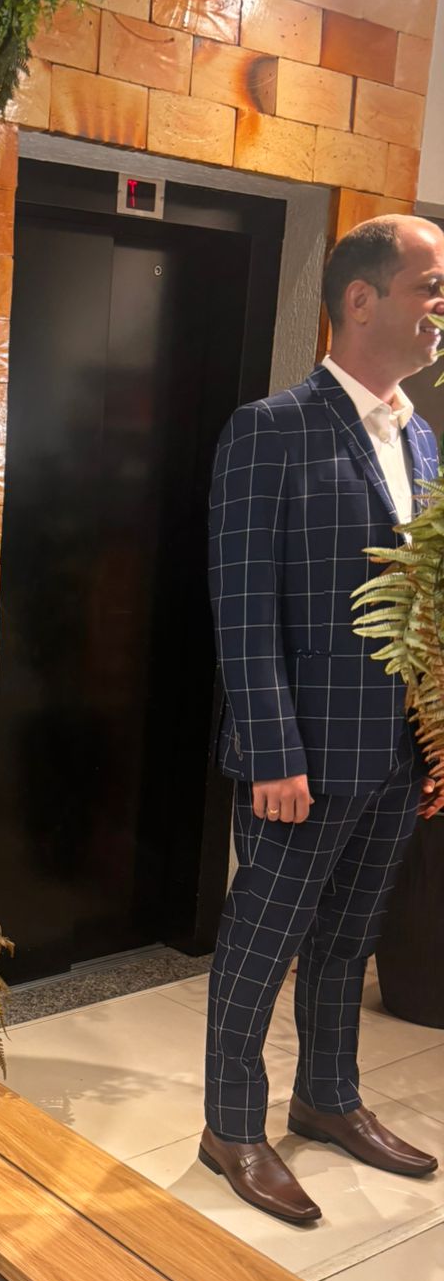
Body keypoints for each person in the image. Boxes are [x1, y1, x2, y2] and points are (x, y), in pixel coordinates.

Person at [200, 214, 444, 1224]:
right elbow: (241, 602)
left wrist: (436, 729)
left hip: (396, 749)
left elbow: (421, 599)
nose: (441, 307)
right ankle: (232, 1127)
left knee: (349, 940)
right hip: (298, 756)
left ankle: (329, 1097)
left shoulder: (420, 434)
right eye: (429, 286)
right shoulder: (272, 429)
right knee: (263, 943)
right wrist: (270, 751)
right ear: (360, 299)